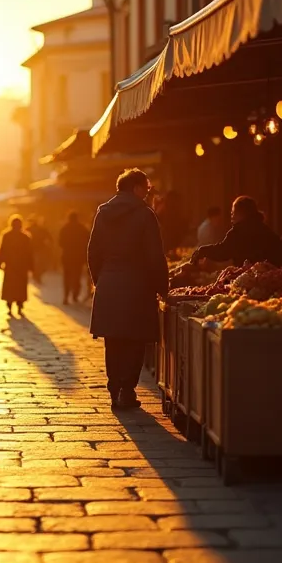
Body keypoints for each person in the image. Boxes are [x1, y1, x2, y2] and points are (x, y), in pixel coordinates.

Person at [89, 169, 169, 409]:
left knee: (113, 340)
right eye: (146, 188)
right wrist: (162, 287)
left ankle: (114, 388)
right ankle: (127, 389)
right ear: (135, 188)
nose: (148, 193)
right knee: (135, 340)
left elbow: (93, 251)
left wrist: (100, 280)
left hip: (109, 283)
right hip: (137, 285)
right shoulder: (145, 214)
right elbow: (155, 255)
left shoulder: (103, 213)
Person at [190, 196, 282, 266]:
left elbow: (223, 251)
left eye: (233, 212)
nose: (232, 216)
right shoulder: (264, 229)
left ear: (242, 213)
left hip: (249, 278)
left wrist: (202, 251)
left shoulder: (239, 231)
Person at [0, 215, 35, 317]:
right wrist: (31, 266)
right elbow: (29, 253)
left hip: (10, 265)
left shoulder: (7, 236)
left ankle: (9, 305)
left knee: (10, 286)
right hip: (22, 266)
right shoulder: (25, 237)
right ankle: (20, 305)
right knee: (20, 287)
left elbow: (2, 250)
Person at [58, 211, 91, 304]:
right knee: (77, 276)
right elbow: (88, 241)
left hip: (67, 256)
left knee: (67, 277)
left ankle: (66, 296)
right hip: (78, 257)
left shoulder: (64, 228)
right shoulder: (82, 228)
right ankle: (75, 296)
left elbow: (60, 243)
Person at [28, 216, 53, 284]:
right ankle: (37, 276)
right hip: (40, 249)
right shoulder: (41, 229)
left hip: (32, 250)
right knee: (40, 265)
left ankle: (36, 275)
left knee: (35, 264)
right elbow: (49, 238)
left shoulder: (28, 229)